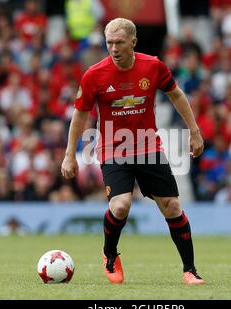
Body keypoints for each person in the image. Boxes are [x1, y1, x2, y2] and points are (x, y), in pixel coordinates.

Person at [61, 18, 205, 285]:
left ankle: (190, 270)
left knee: (172, 206)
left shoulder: (153, 66)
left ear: (133, 42)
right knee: (121, 205)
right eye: (109, 43)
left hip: (148, 146)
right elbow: (80, 115)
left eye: (119, 43)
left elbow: (177, 95)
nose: (113, 48)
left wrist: (193, 131)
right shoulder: (94, 74)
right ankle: (110, 255)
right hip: (113, 149)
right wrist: (70, 153)